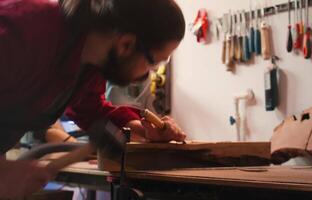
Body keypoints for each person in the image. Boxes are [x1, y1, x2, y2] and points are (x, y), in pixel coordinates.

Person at [0, 0, 186, 198]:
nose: (149, 74)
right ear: (126, 45)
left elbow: (91, 110)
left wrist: (144, 129)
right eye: (153, 62)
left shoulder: (92, 61)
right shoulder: (22, 33)